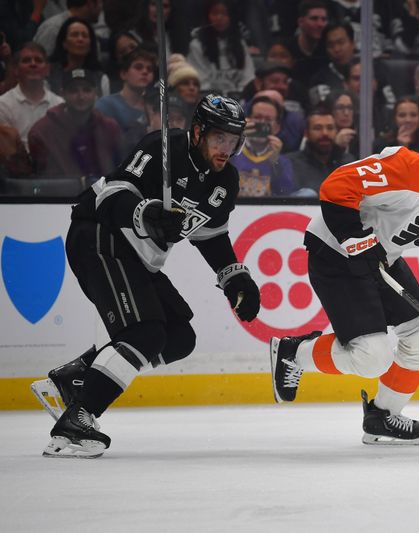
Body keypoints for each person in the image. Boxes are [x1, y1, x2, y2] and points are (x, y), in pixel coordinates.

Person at [29, 94, 261, 457]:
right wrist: (146, 211)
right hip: (99, 236)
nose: (226, 150)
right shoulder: (163, 148)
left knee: (178, 337)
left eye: (233, 141)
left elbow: (211, 235)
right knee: (144, 332)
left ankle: (76, 378)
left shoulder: (225, 181)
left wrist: (234, 276)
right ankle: (77, 420)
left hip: (137, 256)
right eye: (219, 138)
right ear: (198, 132)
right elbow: (111, 195)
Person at [269, 118, 419, 444]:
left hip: (382, 259)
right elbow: (337, 184)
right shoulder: (409, 167)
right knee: (372, 358)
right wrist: (355, 237)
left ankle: (382, 416)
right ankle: (293, 353)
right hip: (335, 251)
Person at [28, 68, 121, 183]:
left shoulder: (110, 127)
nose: (81, 97)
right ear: (62, 94)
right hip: (62, 193)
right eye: (73, 91)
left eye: (87, 90)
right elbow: (44, 181)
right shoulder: (42, 132)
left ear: (96, 93)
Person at [231, 94, 298, 197]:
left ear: (277, 128)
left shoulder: (282, 162)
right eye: (257, 117)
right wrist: (235, 139)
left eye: (268, 119)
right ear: (246, 121)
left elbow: (285, 196)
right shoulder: (231, 150)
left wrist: (275, 163)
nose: (262, 123)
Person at [0, 43, 64, 149]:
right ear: (16, 70)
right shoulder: (2, 105)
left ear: (47, 69)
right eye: (26, 61)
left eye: (38, 60)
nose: (33, 64)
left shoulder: (60, 104)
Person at [286, 106, 355, 193]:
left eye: (330, 128)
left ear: (336, 131)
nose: (325, 133)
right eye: (318, 128)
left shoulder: (348, 163)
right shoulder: (291, 164)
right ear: (306, 133)